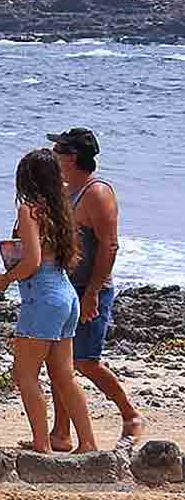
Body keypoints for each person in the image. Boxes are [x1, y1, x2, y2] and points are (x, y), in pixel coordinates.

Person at [0, 148, 97, 455]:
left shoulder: (30, 210)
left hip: (42, 298)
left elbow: (33, 262)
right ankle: (87, 443)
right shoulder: (61, 208)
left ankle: (42, 443)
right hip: (65, 295)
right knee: (64, 375)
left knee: (25, 374)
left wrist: (6, 279)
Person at [46, 127, 143, 450]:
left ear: (72, 157)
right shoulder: (65, 190)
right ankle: (60, 434)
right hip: (66, 285)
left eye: (58, 151)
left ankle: (130, 415)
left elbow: (109, 245)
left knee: (86, 361)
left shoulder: (96, 192)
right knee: (60, 362)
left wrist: (93, 293)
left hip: (90, 287)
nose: (54, 156)